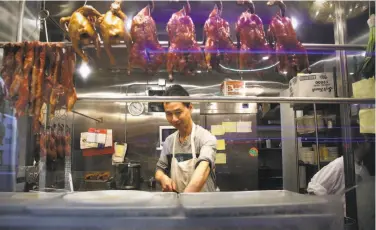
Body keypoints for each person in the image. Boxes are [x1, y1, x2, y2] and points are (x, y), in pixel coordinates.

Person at [155, 85, 217, 193]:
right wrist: (163, 178)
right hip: (178, 205)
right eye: (169, 114)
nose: (174, 119)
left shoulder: (205, 138)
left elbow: (203, 171)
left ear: (190, 108)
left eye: (178, 112)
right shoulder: (169, 141)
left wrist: (184, 202)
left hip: (203, 205)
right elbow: (159, 170)